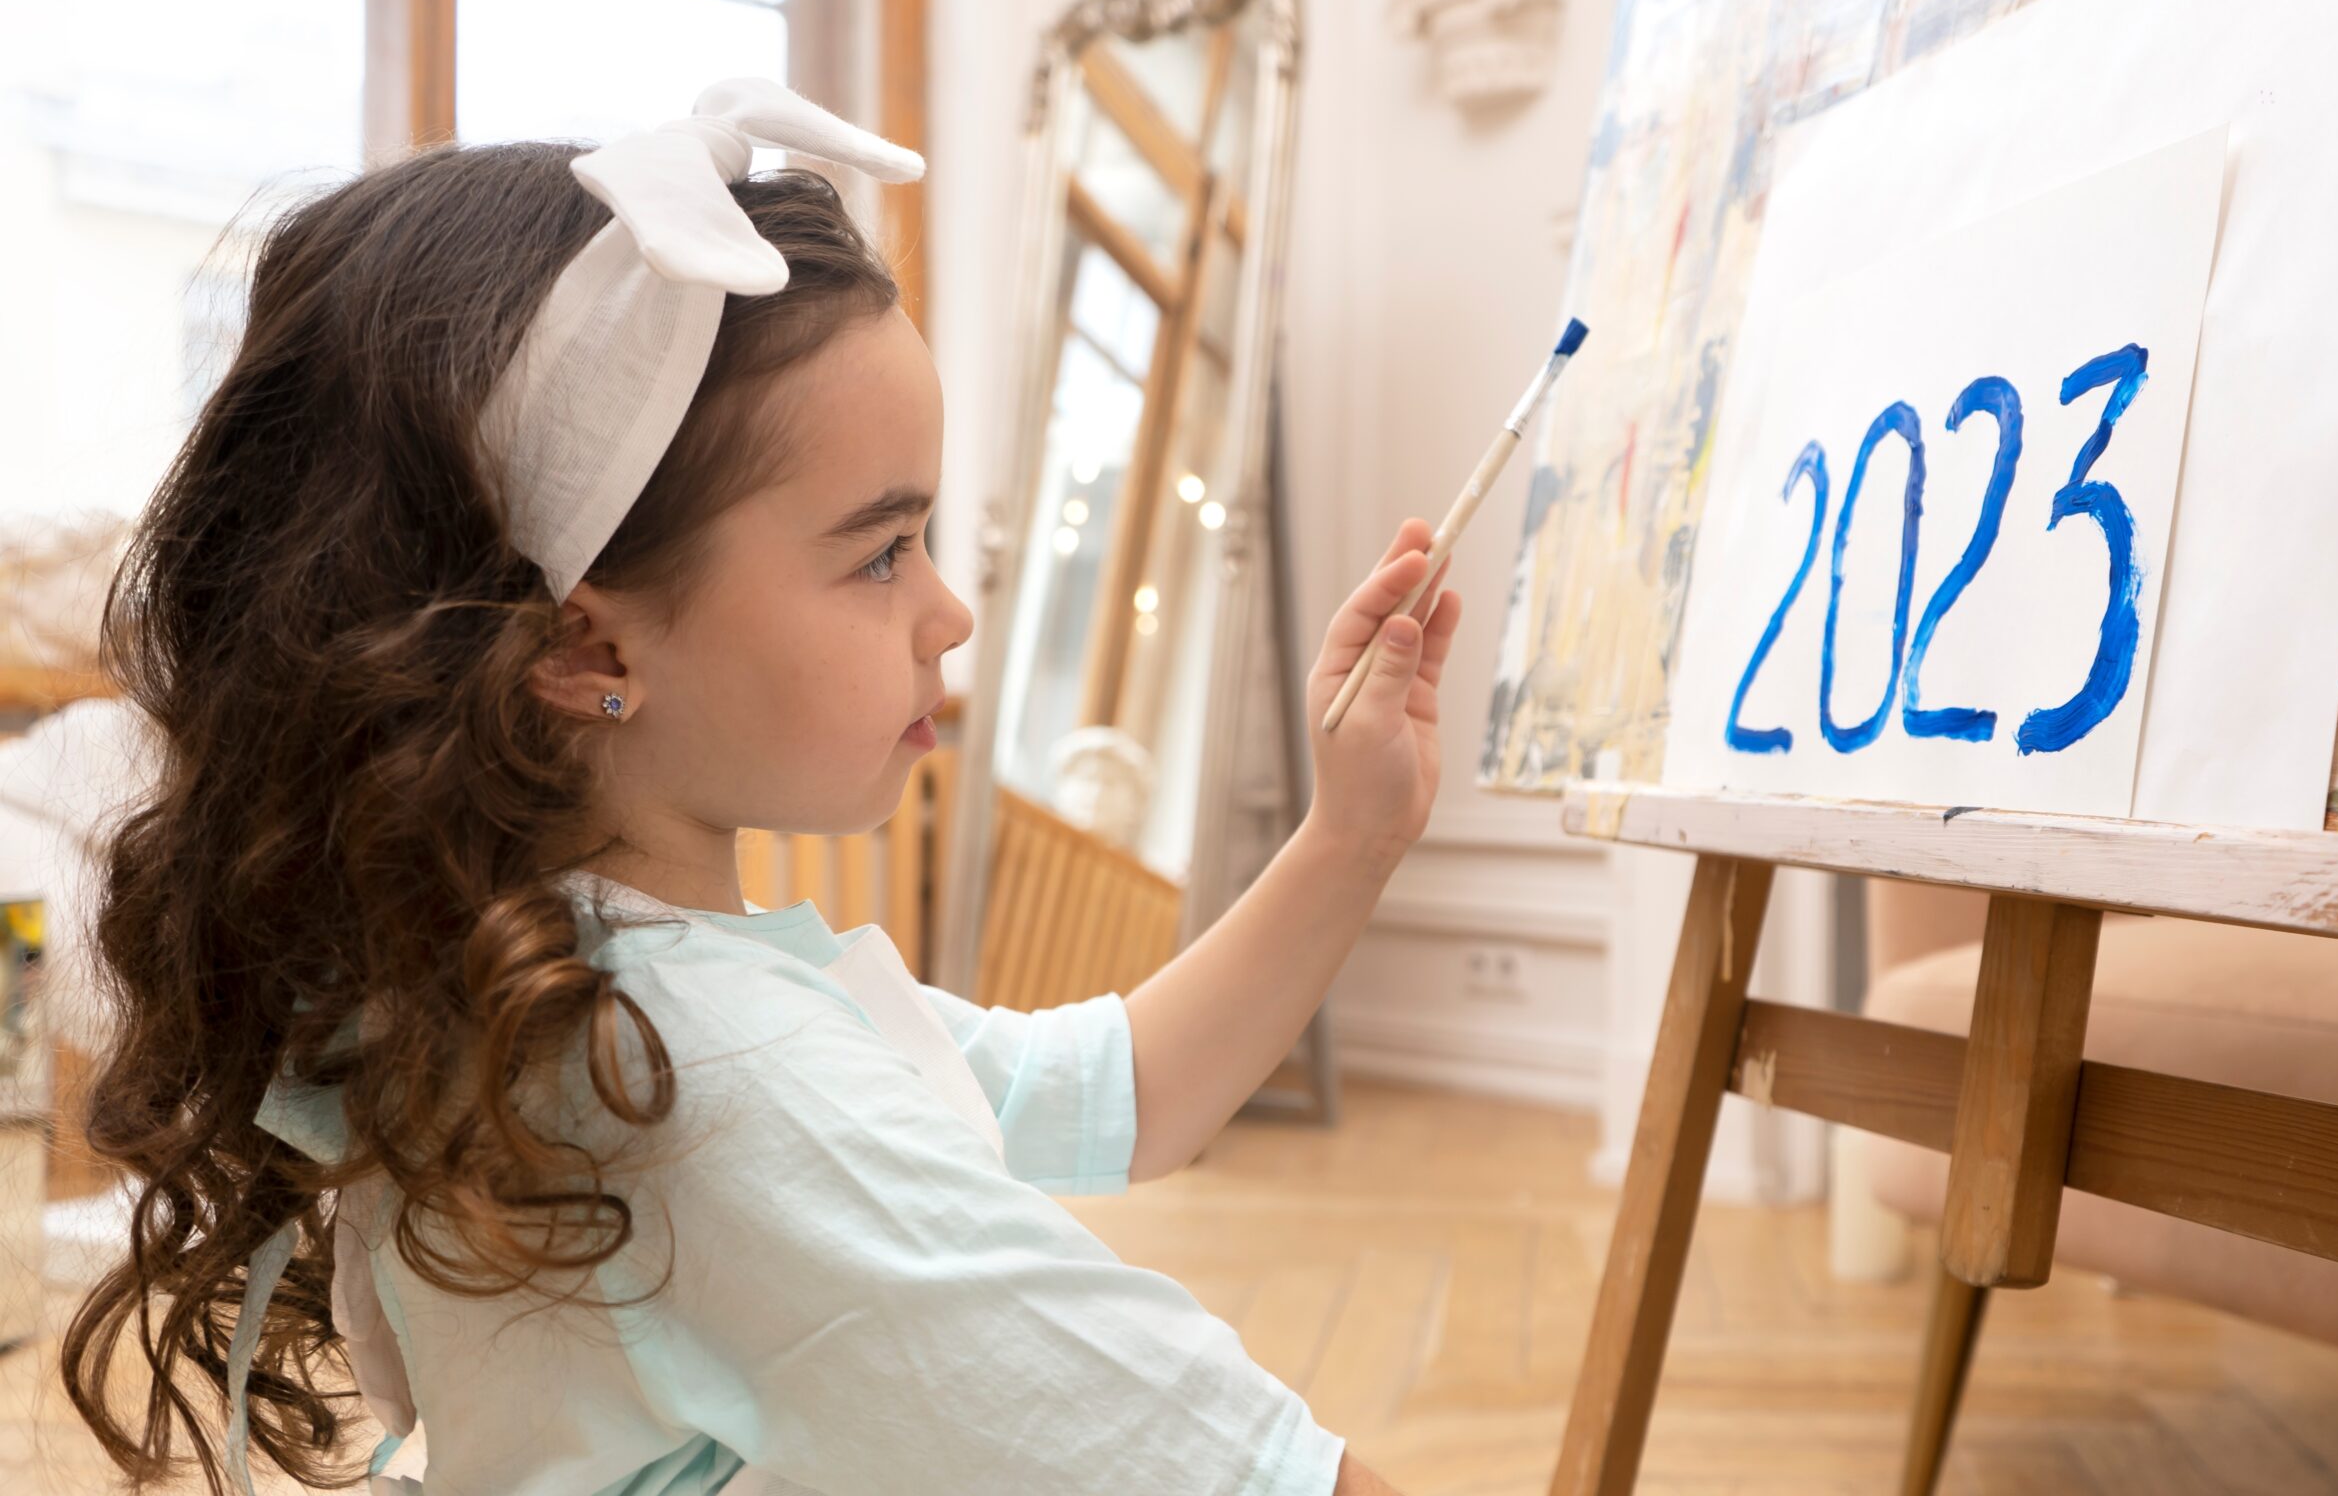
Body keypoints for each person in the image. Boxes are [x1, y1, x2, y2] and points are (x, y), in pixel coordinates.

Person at [60, 79, 1456, 1496]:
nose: (949, 612)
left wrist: (1350, 831)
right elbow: (1233, 1467)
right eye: (878, 553)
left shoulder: (547, 982)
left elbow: (1120, 1094)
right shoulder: (708, 1088)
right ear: (587, 644)